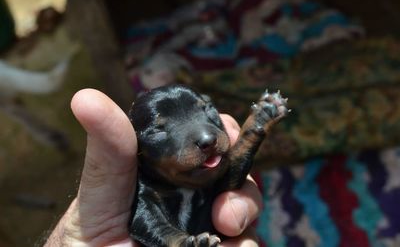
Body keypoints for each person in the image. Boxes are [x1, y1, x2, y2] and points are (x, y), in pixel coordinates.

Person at [44, 89, 262, 247]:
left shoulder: (206, 173)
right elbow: (146, 224)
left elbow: (229, 180)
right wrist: (180, 242)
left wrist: (251, 136)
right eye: (158, 132)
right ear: (138, 150)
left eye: (206, 110)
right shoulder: (143, 194)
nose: (206, 136)